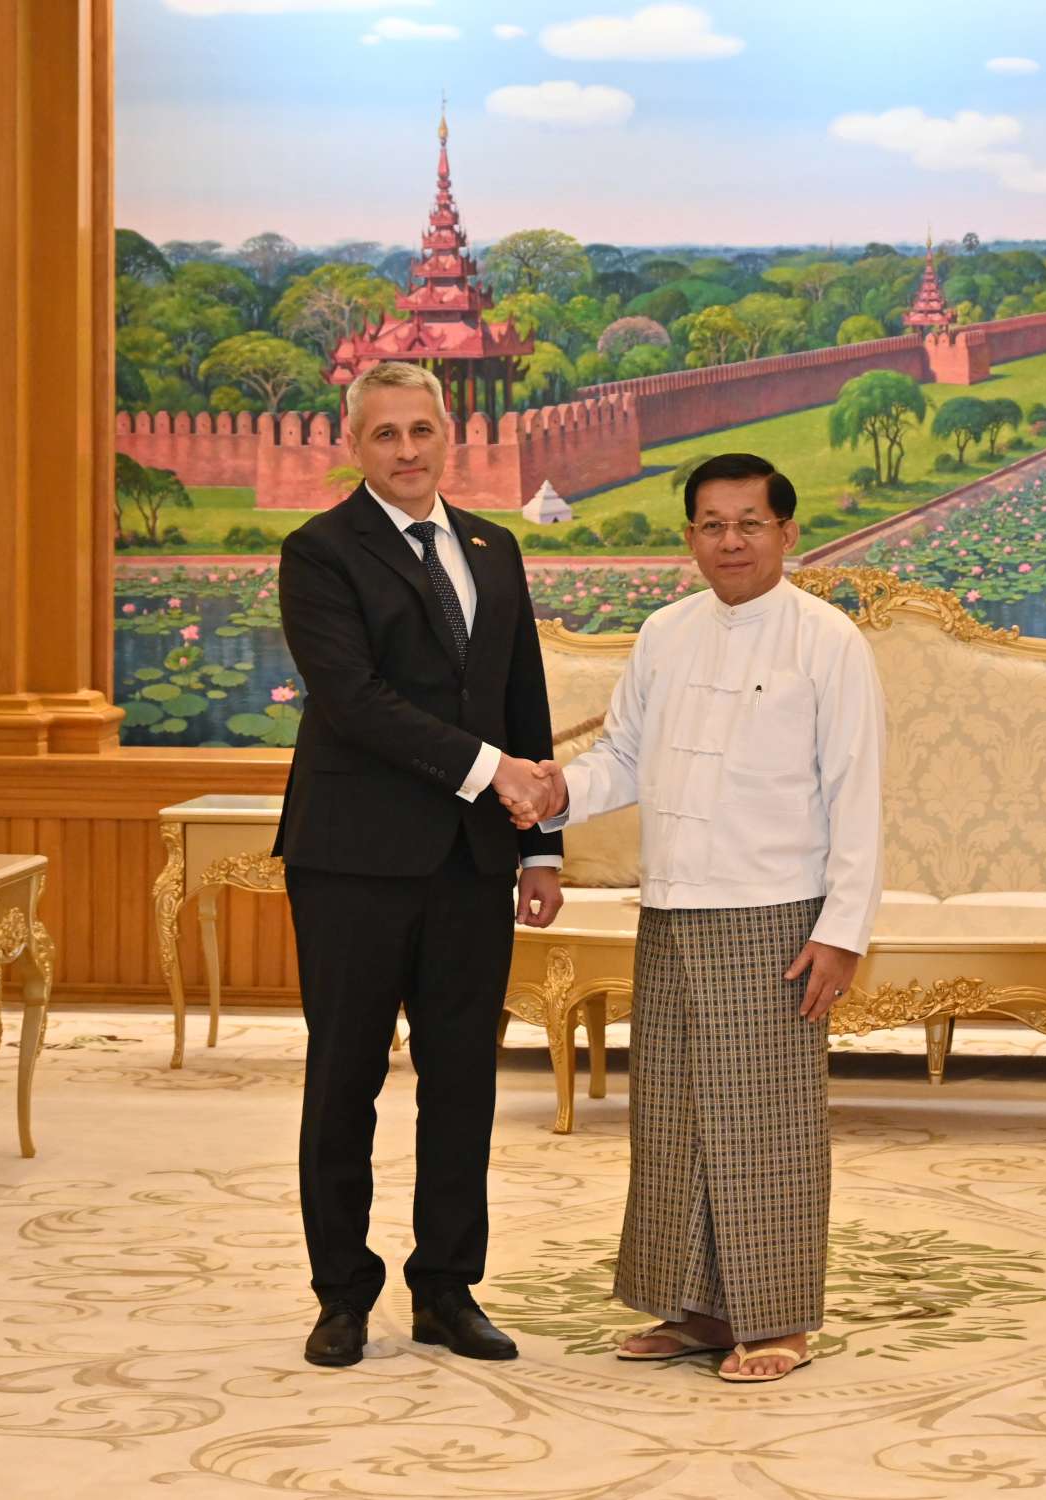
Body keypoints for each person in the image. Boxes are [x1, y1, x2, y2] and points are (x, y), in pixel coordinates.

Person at [504, 453, 885, 1383]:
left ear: (787, 534)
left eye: (749, 523)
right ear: (689, 538)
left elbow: (857, 794)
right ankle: (698, 1311)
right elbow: (625, 757)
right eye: (711, 525)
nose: (730, 542)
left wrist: (842, 931)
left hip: (774, 912)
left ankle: (779, 1320)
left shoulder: (827, 641)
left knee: (763, 1121)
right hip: (671, 907)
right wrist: (555, 794)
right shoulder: (665, 632)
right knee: (672, 1117)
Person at [274, 361, 563, 1368]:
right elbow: (352, 702)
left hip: (474, 864)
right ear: (353, 445)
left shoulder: (494, 546)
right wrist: (496, 774)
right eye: (385, 433)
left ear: (450, 436)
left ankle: (447, 1289)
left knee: (464, 1082)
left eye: (421, 431)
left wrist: (542, 848)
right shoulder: (318, 552)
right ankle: (342, 1295)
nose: (406, 450)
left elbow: (521, 692)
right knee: (344, 1079)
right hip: (351, 860)